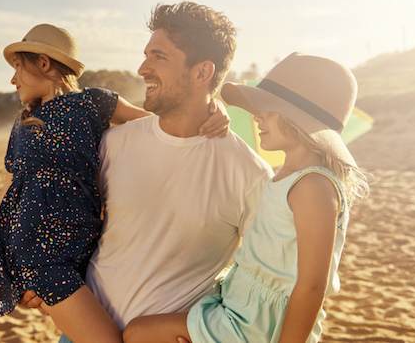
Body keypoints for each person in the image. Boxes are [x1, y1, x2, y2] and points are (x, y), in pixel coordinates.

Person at [0, 23, 229, 343]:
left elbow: (158, 123)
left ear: (44, 63)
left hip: (77, 255)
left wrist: (213, 107)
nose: (12, 79)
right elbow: (7, 192)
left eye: (18, 67)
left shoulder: (92, 104)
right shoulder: (22, 126)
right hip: (41, 257)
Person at [23, 2, 274, 343]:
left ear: (202, 73)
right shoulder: (112, 144)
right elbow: (71, 223)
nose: (142, 68)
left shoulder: (250, 175)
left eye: (159, 57)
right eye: (146, 55)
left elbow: (261, 287)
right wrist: (46, 283)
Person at [122, 52, 370, 342]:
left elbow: (312, 285)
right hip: (240, 304)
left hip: (258, 323)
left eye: (268, 108)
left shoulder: (313, 185)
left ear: (299, 119)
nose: (257, 115)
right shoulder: (286, 175)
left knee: (137, 334)